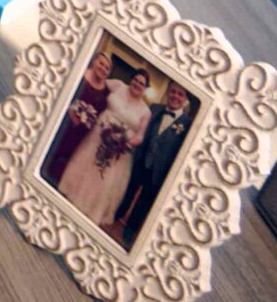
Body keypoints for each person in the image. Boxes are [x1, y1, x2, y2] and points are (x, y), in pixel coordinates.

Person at [58, 66, 154, 235]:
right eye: (135, 80)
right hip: (97, 135)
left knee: (103, 179)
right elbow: (99, 83)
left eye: (142, 83)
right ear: (131, 79)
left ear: (146, 88)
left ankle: (90, 210)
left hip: (118, 148)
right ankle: (71, 196)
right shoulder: (117, 85)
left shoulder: (146, 111)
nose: (137, 84)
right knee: (87, 166)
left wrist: (126, 143)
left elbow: (140, 135)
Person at [112, 83, 193, 240]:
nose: (175, 96)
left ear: (185, 99)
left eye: (180, 94)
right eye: (173, 92)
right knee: (128, 191)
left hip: (160, 170)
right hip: (141, 161)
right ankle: (116, 215)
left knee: (144, 202)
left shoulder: (188, 124)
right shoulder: (155, 108)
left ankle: (130, 230)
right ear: (168, 93)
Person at [44, 48, 116, 187]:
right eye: (101, 64)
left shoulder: (106, 92)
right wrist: (70, 112)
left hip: (81, 132)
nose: (103, 69)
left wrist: (86, 120)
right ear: (94, 61)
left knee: (66, 158)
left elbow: (99, 113)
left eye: (107, 68)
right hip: (63, 122)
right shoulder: (80, 74)